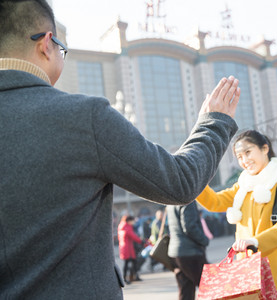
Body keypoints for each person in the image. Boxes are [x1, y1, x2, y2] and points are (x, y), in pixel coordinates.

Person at [0, 1, 241, 298]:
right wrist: (213, 123)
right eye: (63, 49)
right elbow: (179, 182)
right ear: (46, 44)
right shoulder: (83, 118)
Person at [196, 130, 277, 300]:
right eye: (239, 156)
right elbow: (214, 202)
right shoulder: (243, 186)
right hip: (245, 268)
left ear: (265, 148)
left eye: (248, 152)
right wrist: (195, 179)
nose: (244, 161)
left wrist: (256, 241)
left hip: (274, 267)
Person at [167, 202, 210, 300]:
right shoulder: (187, 200)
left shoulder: (170, 200)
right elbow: (189, 227)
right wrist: (204, 240)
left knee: (186, 291)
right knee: (210, 285)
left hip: (176, 252)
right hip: (190, 252)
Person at [118, 215, 143, 284]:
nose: (133, 222)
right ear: (129, 221)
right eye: (132, 221)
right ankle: (126, 278)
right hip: (127, 248)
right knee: (128, 263)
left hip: (126, 247)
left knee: (131, 263)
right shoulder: (127, 227)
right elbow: (132, 236)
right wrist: (141, 241)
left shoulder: (122, 226)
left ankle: (132, 277)